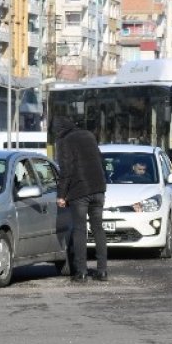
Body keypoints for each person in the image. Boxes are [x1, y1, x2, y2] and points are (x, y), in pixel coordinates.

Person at [55, 117, 108, 282]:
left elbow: (67, 169)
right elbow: (101, 160)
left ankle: (82, 272)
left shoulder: (65, 141)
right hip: (99, 189)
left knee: (79, 230)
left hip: (80, 191)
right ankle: (102, 270)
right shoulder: (89, 136)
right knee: (98, 229)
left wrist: (61, 195)